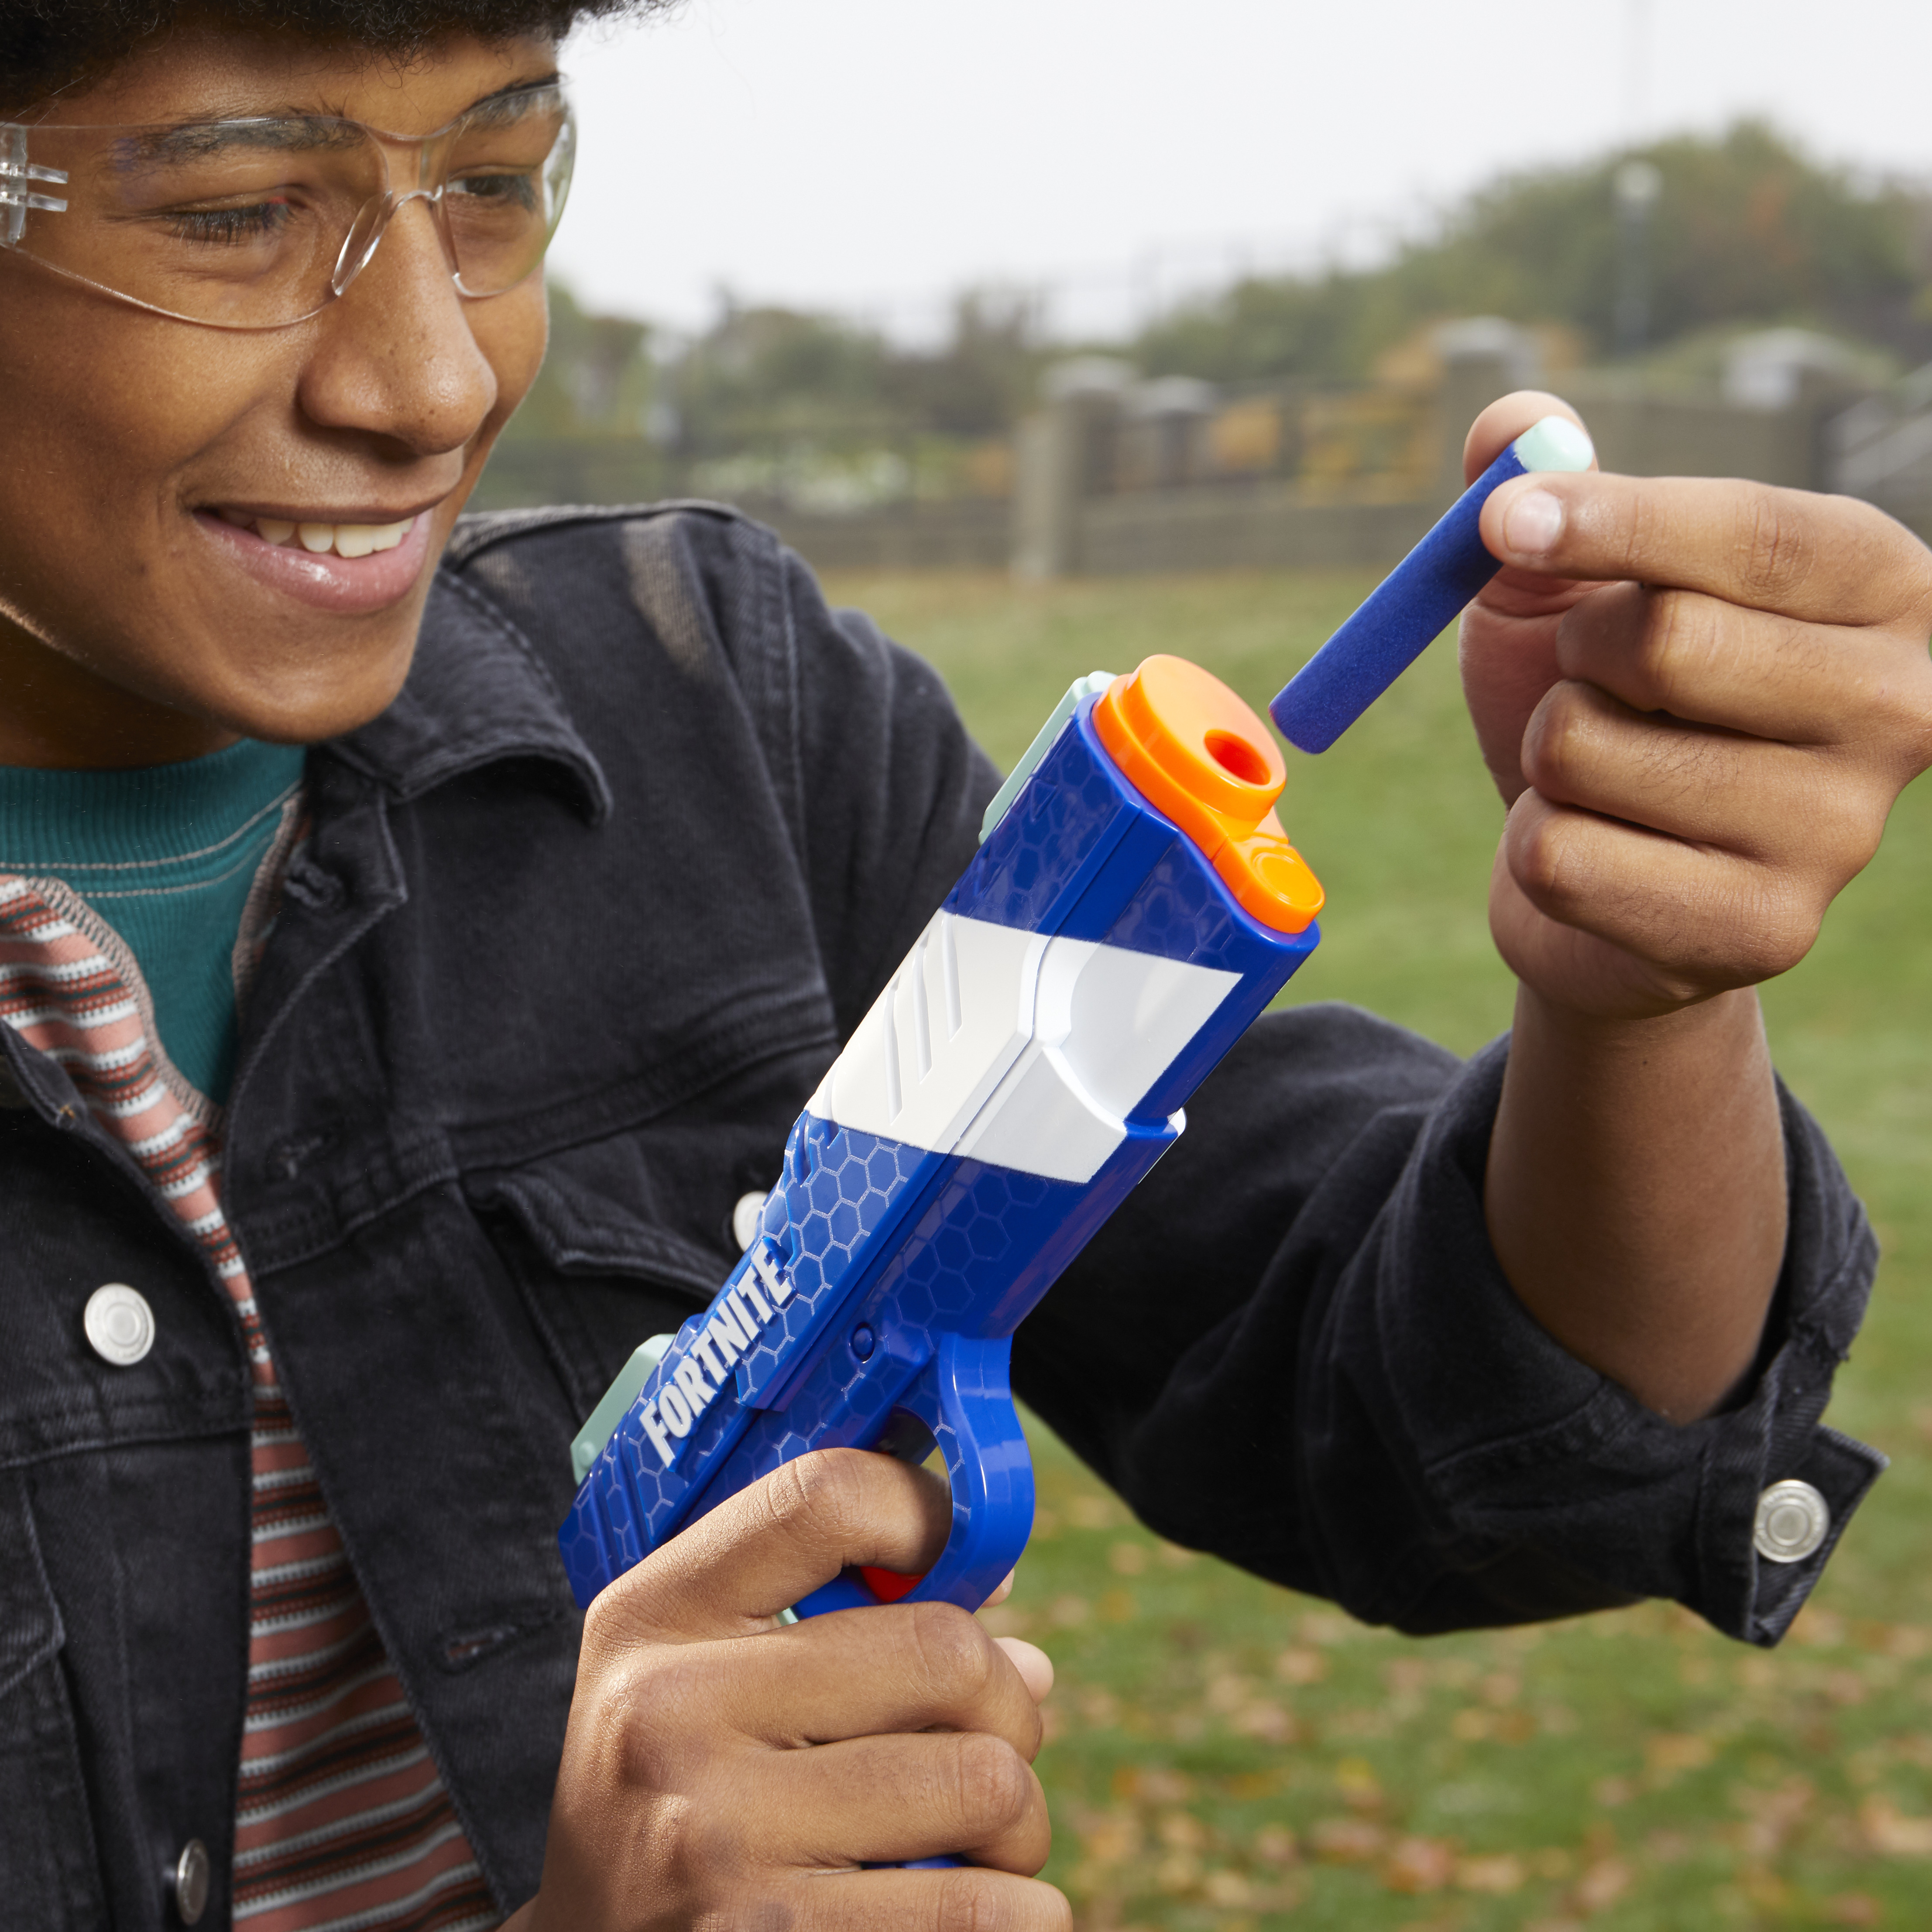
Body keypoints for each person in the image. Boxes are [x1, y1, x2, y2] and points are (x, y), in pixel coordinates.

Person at [1, 5, 1928, 1929]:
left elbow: (1463, 1432)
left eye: (496, 182)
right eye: (242, 214)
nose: (431, 376)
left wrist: (1633, 986)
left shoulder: (718, 715)